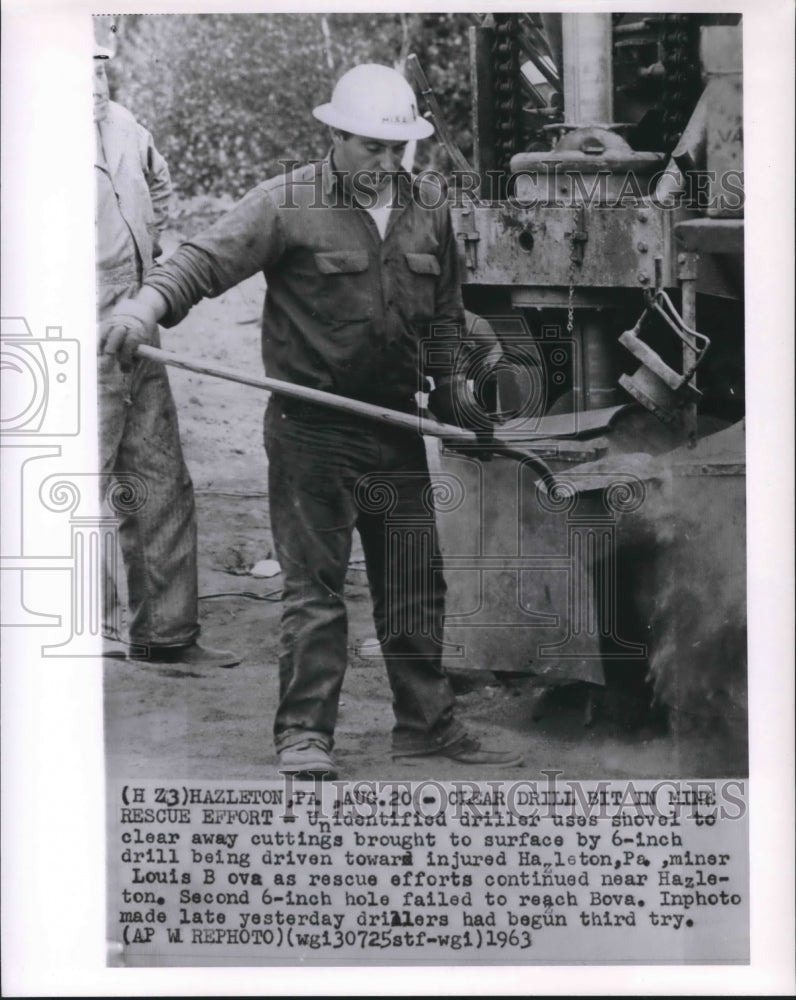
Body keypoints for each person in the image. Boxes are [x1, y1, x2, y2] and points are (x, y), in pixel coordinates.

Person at [99, 63, 522, 776]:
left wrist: (457, 397)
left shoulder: (429, 207)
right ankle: (305, 733)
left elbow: (446, 317)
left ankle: (426, 723)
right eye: (369, 148)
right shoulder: (286, 202)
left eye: (397, 149)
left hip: (395, 426)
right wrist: (143, 307)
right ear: (334, 135)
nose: (386, 164)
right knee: (317, 590)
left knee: (416, 581)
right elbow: (200, 264)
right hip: (311, 430)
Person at [94, 47, 239, 668]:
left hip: (132, 314)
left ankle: (166, 634)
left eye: (99, 68)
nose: (92, 82)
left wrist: (150, 267)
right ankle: (78, 635)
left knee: (157, 474)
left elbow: (160, 184)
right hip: (60, 316)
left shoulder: (125, 127)